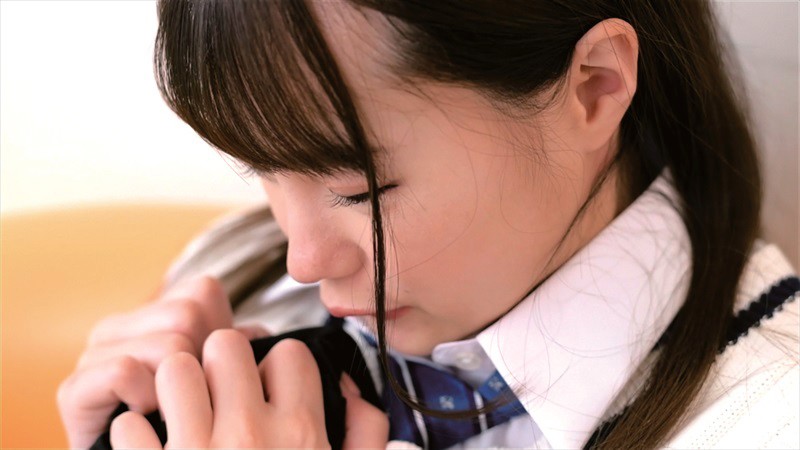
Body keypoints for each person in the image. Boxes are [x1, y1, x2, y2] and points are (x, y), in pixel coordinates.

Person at [57, 0, 799, 448]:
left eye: (360, 189)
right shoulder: (230, 282)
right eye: (261, 170)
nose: (302, 261)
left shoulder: (769, 422)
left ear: (594, 87)